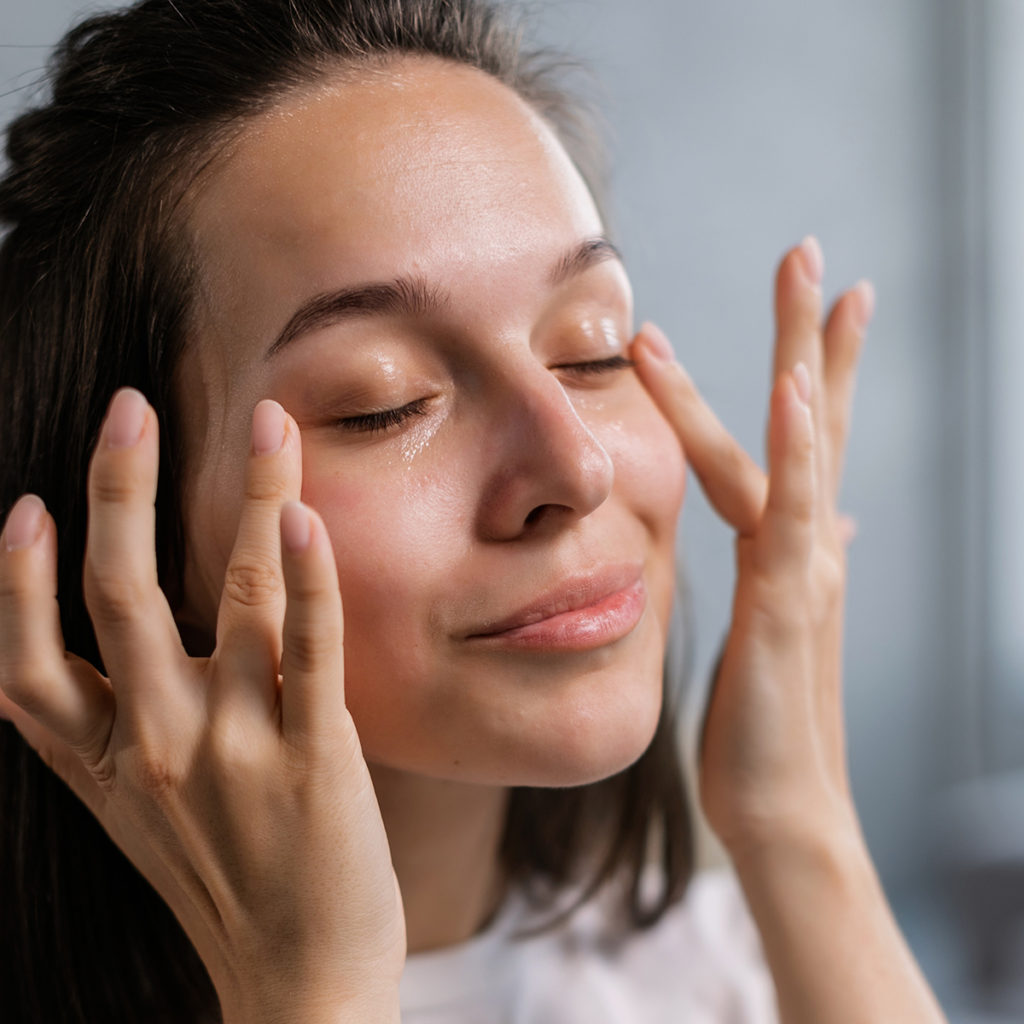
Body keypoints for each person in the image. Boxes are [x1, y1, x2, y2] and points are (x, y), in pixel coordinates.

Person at [0, 1, 948, 1021]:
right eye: (383, 400)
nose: (573, 467)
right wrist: (308, 993)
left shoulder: (723, 968)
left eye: (592, 347)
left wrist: (798, 821)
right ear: (125, 546)